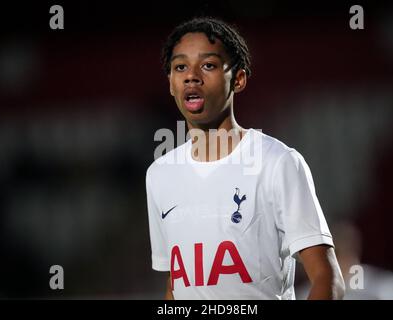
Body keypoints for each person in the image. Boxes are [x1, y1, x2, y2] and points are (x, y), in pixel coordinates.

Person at [145, 17, 344, 300]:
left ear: (238, 79)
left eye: (208, 65)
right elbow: (175, 285)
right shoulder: (159, 175)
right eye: (180, 67)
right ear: (171, 84)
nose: (191, 75)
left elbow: (329, 279)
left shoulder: (278, 162)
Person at [296, 221, 393, 300]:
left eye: (347, 251)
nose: (342, 259)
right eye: (335, 254)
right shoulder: (308, 293)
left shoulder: (384, 286)